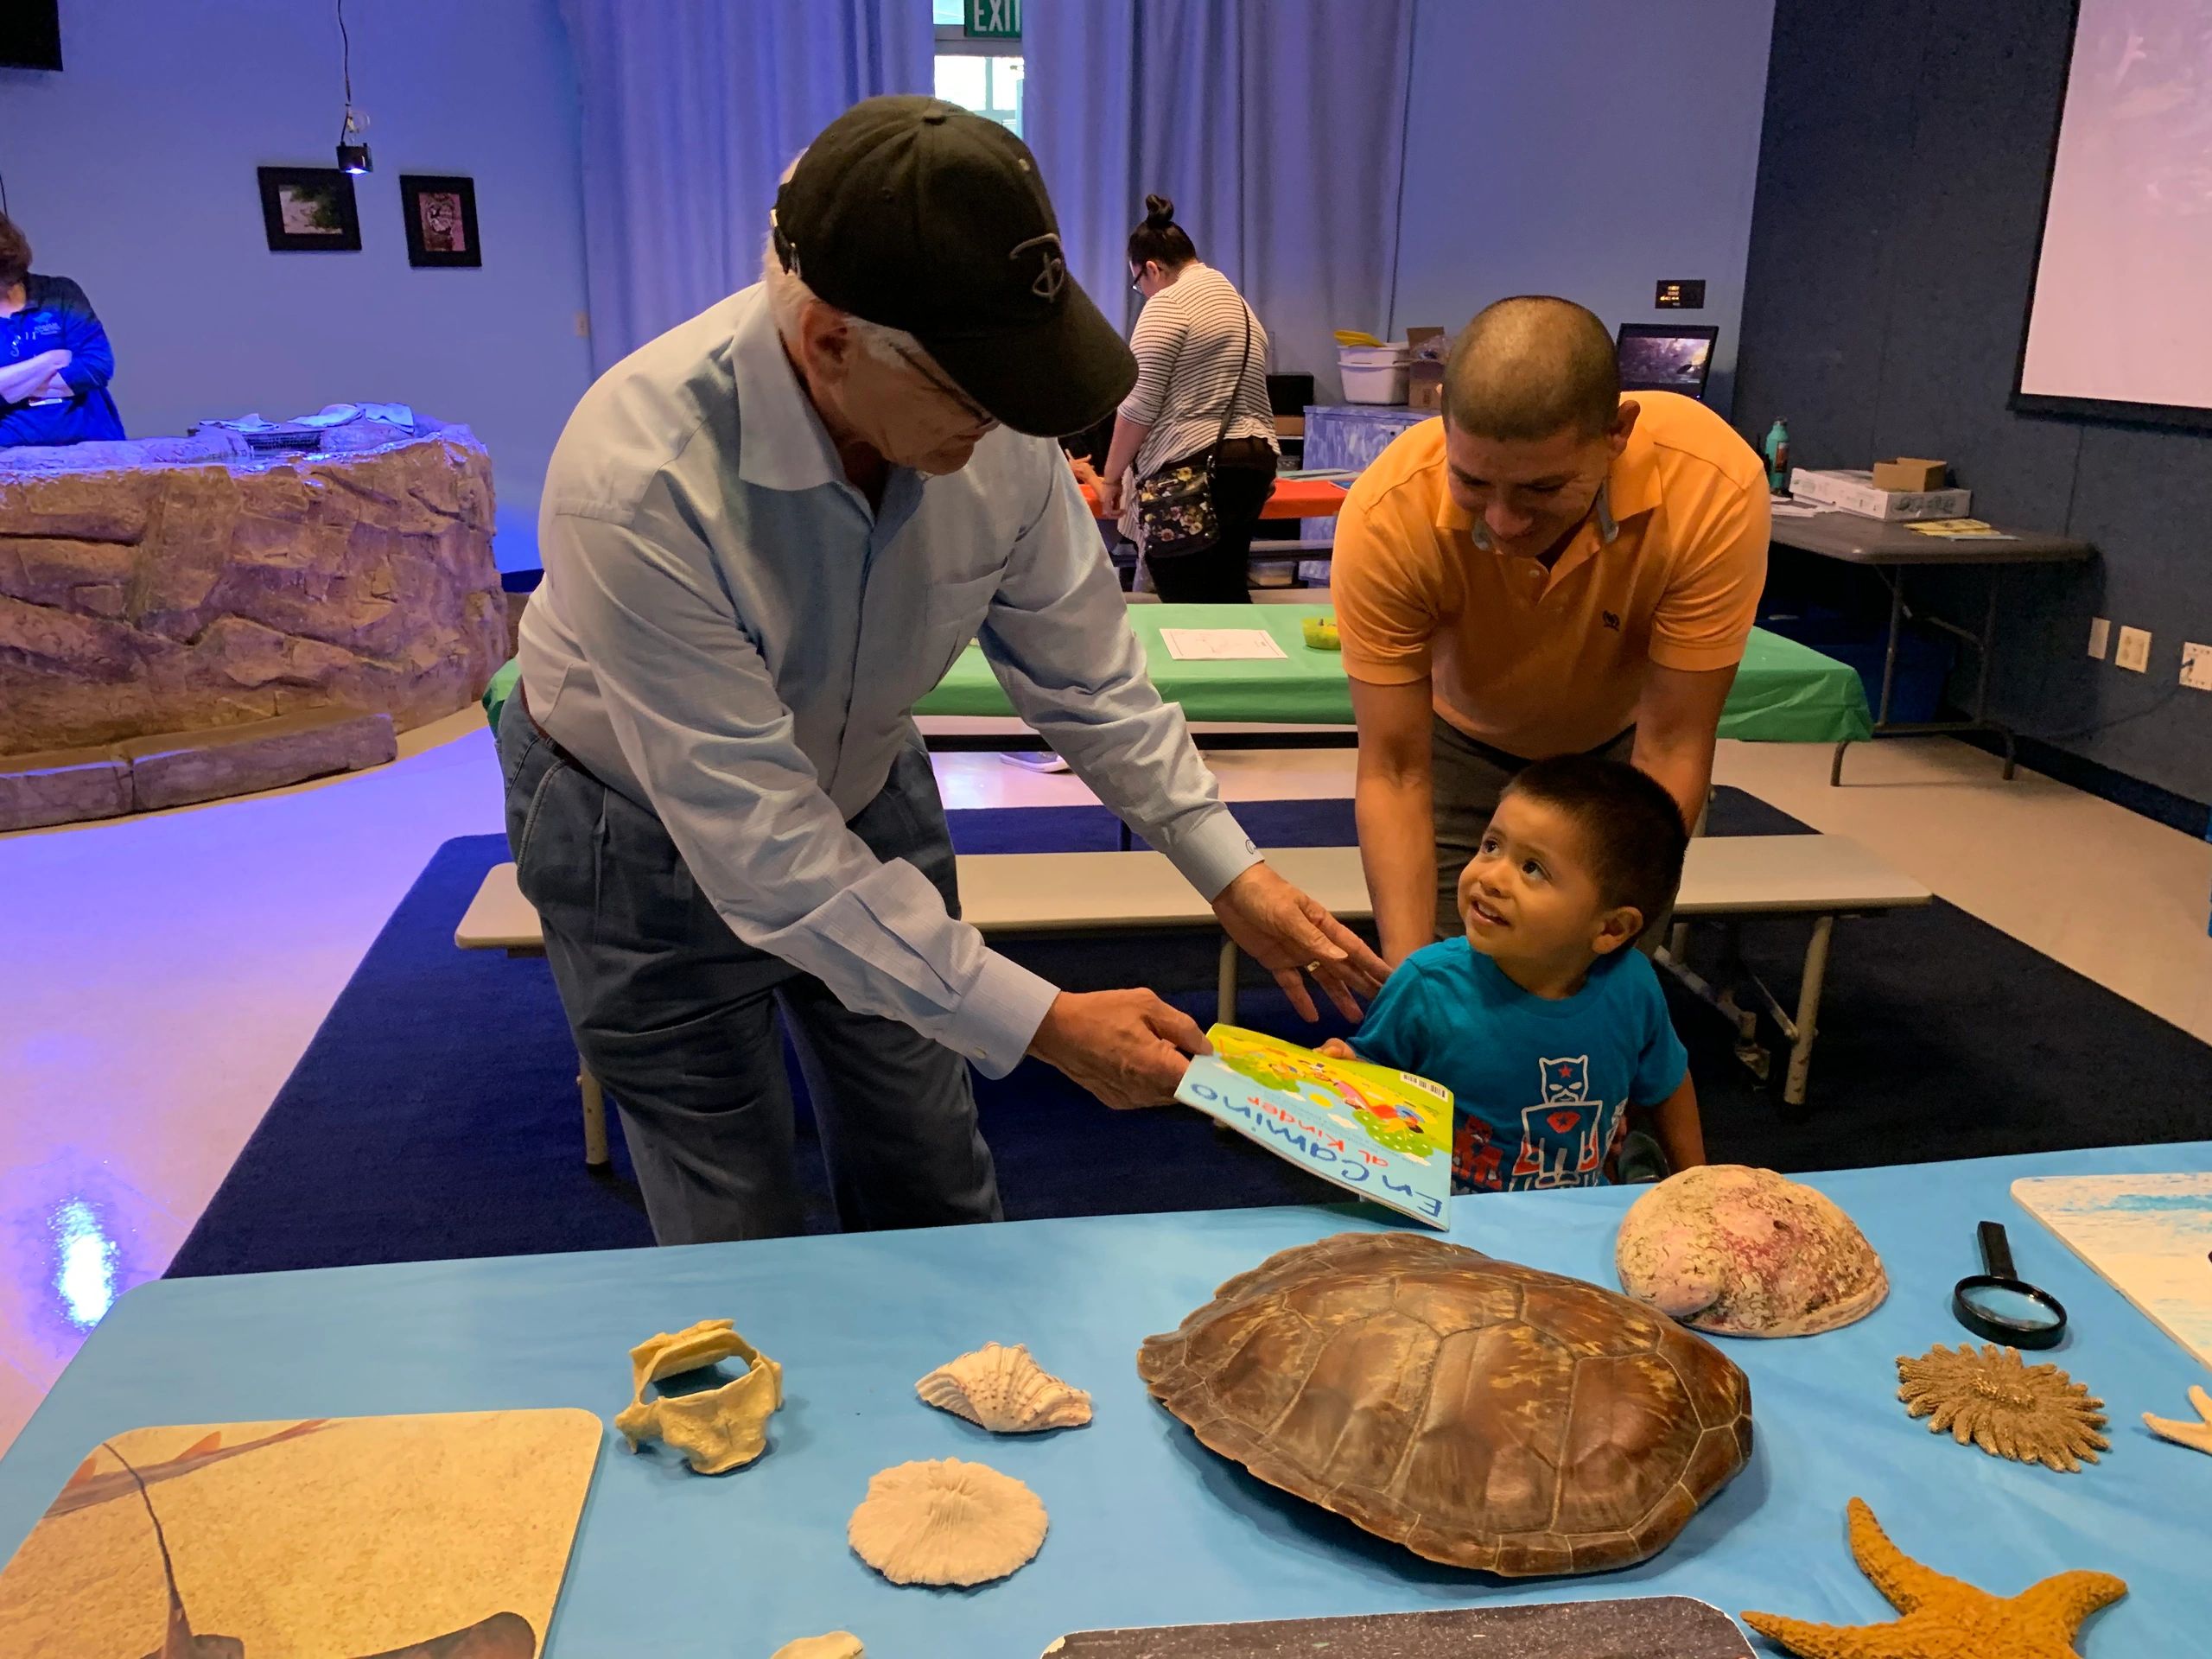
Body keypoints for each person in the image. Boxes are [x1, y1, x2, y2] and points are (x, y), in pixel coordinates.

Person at [504, 98, 1386, 1246]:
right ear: (829, 342)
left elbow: (1090, 683)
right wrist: (1049, 1021)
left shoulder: (993, 427)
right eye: (976, 398)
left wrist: (1234, 875)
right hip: (632, 826)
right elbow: (770, 859)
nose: (1009, 431)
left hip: (863, 774)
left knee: (933, 1173)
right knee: (733, 1215)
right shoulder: (635, 476)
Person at [1333, 296, 1769, 963]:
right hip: (1462, 744)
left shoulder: (1713, 485)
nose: (1504, 521)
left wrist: (1614, 964)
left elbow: (1674, 742)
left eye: (1542, 490)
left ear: (1617, 430)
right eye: (1473, 481)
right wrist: (1408, 985)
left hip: (1621, 760)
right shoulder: (1388, 513)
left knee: (1594, 988)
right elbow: (1394, 771)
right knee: (1460, 990)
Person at [1325, 756, 1706, 1192]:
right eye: (1491, 846)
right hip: (1447, 1230)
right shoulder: (1427, 984)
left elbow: (1668, 1082)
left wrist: (1698, 1184)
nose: (1491, 878)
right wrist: (1346, 1070)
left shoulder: (1632, 986)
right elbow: (1371, 1082)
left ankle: (1640, 1162)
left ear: (1611, 929)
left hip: (1577, 1220)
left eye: (1532, 869)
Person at [1095, 196, 1279, 604]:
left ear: (1153, 269)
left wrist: (1110, 478)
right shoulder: (1238, 305)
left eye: (1137, 282)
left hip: (1193, 472)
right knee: (1228, 594)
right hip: (1253, 463)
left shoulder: (1168, 305)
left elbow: (1138, 406)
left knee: (1188, 604)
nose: (1141, 292)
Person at [0, 213, 124, 448]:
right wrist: (48, 361)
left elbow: (96, 366)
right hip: (9, 456)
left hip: (93, 447)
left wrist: (10, 387)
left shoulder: (61, 295)